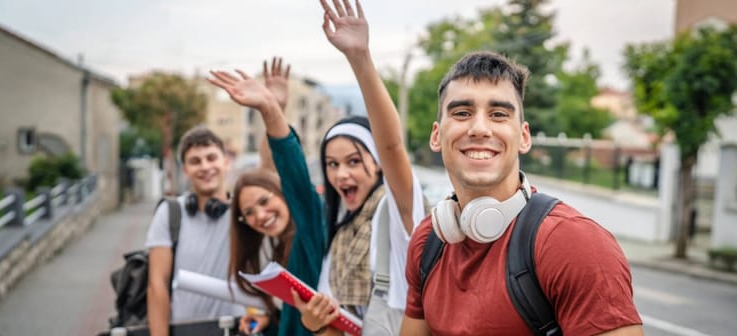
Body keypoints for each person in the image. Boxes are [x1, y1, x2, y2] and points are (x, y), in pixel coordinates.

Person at [208, 2, 427, 330]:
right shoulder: (337, 227)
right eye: (331, 164)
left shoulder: (395, 211)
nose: (341, 174)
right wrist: (314, 322)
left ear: (378, 163)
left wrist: (359, 58)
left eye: (354, 161)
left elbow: (392, 145)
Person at [400, 51, 644, 335]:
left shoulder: (574, 244)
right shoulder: (427, 241)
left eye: (499, 114)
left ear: (524, 136)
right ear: (436, 135)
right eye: (462, 113)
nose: (479, 128)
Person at [216, 57, 326, 336]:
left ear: (283, 193)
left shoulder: (311, 231)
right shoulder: (273, 252)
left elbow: (286, 167)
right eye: (249, 213)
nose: (260, 216)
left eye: (265, 202)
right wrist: (270, 317)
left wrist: (271, 109)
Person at [145, 126, 244, 336]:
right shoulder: (170, 213)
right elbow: (157, 285)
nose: (205, 166)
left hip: (237, 328)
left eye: (211, 158)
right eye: (195, 161)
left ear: (226, 162)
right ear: (185, 170)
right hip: (185, 330)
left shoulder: (245, 212)